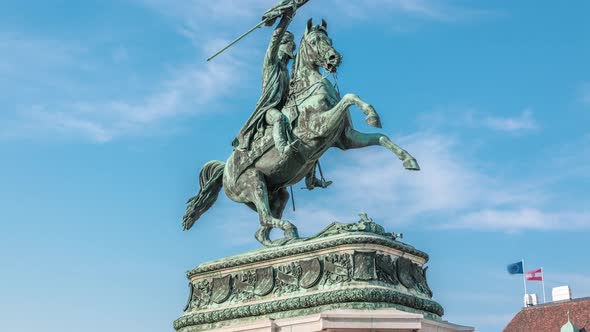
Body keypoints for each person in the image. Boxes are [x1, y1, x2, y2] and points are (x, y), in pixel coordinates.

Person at [232, 2, 301, 157]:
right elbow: (275, 39)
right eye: (290, 45)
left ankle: (312, 176)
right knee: (279, 118)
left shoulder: (286, 71)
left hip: (282, 106)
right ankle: (283, 149)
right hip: (267, 110)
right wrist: (287, 17)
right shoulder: (271, 62)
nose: (292, 49)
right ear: (282, 45)